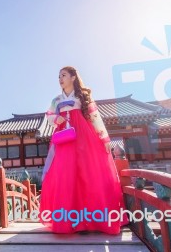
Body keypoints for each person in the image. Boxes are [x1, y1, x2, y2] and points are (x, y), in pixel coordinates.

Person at [39, 66, 128, 234]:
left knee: (87, 173)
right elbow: (48, 115)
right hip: (64, 138)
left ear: (73, 77)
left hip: (83, 136)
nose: (60, 79)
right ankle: (70, 221)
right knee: (65, 175)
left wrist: (104, 138)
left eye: (63, 75)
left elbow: (95, 117)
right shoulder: (56, 99)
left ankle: (92, 220)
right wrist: (56, 118)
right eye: (59, 76)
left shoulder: (82, 97)